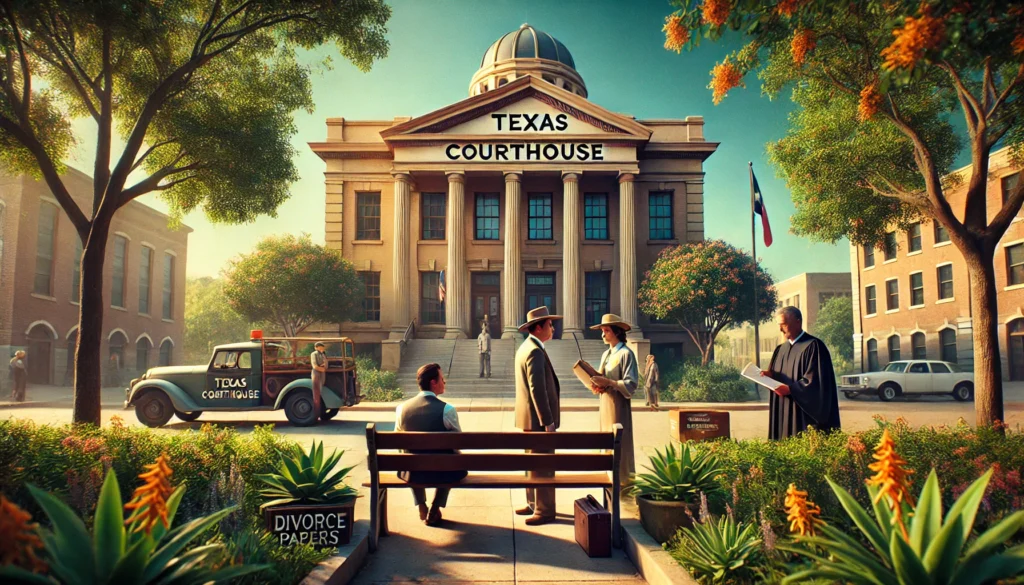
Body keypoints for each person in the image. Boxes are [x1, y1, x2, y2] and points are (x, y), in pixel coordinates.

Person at [394, 362, 466, 526]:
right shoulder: (447, 410)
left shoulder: (402, 409)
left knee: (409, 457)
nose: (444, 382)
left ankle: (421, 503)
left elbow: (399, 442)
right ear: (433, 382)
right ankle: (435, 506)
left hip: (413, 473)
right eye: (442, 378)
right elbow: (458, 442)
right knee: (451, 459)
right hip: (443, 473)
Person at [761, 306, 842, 439]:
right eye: (779, 325)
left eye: (784, 324)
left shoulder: (814, 346)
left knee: (802, 441)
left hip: (803, 414)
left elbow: (816, 382)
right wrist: (769, 376)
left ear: (797, 321)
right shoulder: (780, 349)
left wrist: (791, 389)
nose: (780, 329)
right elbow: (777, 375)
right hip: (784, 407)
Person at [514, 306, 562, 526]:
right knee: (543, 465)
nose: (553, 328)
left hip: (527, 420)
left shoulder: (526, 347)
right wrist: (548, 421)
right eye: (550, 324)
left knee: (531, 463)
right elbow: (537, 390)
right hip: (538, 422)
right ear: (539, 328)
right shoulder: (535, 351)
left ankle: (533, 504)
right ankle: (544, 510)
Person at [589, 314, 638, 483]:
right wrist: (598, 385)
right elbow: (602, 378)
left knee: (619, 442)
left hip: (619, 407)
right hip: (605, 405)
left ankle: (623, 482)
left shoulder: (626, 354)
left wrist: (610, 382)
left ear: (617, 332)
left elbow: (631, 384)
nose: (603, 334)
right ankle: (608, 479)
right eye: (602, 331)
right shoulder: (606, 354)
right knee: (606, 441)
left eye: (607, 331)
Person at [310, 342, 327, 414]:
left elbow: (326, 364)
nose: (321, 348)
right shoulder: (314, 354)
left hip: (322, 373)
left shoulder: (323, 354)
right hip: (316, 373)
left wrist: (324, 367)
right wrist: (321, 368)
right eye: (320, 347)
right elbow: (314, 365)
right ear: (316, 348)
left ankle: (320, 410)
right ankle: (316, 412)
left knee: (321, 390)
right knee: (316, 391)